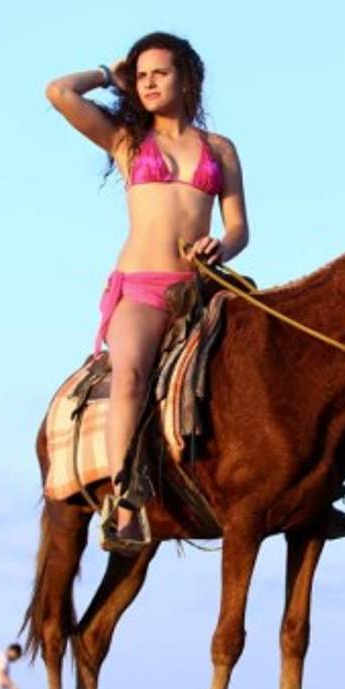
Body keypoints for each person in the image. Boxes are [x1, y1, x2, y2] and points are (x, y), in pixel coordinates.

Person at [45, 31, 249, 554]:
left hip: (201, 290)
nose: (149, 83)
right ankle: (126, 500)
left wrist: (221, 247)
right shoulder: (127, 141)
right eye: (141, 76)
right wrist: (106, 74)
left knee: (266, 362)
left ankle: (306, 485)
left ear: (187, 79)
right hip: (142, 289)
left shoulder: (219, 148)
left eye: (160, 72)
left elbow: (239, 228)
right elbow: (59, 92)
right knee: (131, 372)